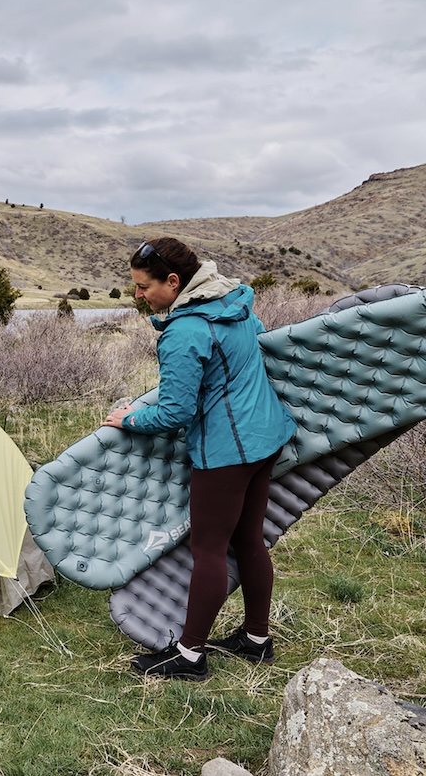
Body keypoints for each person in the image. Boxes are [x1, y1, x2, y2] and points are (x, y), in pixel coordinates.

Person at [103, 237, 295, 680]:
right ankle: (256, 639)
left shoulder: (184, 332)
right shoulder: (235, 301)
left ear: (174, 282)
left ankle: (189, 656)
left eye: (143, 287)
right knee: (249, 540)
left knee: (207, 548)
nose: (137, 296)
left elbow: (175, 410)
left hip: (227, 451)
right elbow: (253, 348)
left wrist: (128, 419)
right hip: (265, 437)